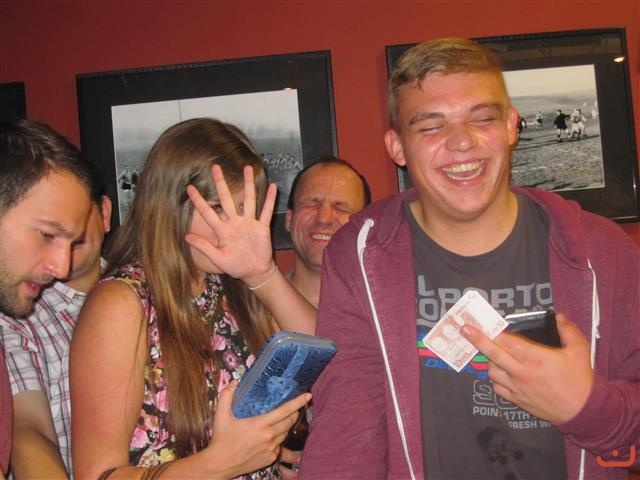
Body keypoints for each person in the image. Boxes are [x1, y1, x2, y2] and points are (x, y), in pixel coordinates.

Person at [300, 38, 639, 480]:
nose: (462, 142)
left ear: (512, 127)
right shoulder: (359, 256)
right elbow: (347, 441)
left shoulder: (604, 252)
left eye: (482, 118)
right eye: (431, 126)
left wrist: (586, 407)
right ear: (397, 147)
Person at [70, 117, 315, 479]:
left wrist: (262, 273)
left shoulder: (230, 285)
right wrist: (224, 462)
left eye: (244, 209)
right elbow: (98, 475)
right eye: (217, 208)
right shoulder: (122, 304)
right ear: (170, 205)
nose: (233, 228)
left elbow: (323, 350)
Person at [0, 162, 111, 478]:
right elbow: (27, 430)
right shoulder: (16, 310)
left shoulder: (144, 288)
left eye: (75, 230)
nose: (62, 264)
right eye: (49, 234)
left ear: (104, 214)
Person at [285, 156, 371, 307]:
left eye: (341, 208)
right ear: (289, 219)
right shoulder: (248, 309)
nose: (323, 218)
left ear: (364, 228)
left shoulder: (388, 310)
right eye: (311, 204)